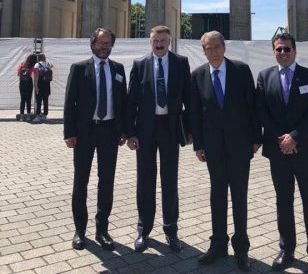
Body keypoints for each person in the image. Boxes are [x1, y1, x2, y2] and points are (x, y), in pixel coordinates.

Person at [190, 31, 262, 271]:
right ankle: (218, 245)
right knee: (217, 196)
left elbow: (253, 106)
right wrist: (198, 145)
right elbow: (195, 114)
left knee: (239, 196)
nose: (212, 52)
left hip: (240, 146)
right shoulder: (198, 75)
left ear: (224, 48)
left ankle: (241, 249)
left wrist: (256, 138)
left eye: (216, 47)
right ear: (203, 51)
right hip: (212, 148)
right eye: (208, 48)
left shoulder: (240, 70)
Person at [255, 33, 308, 274]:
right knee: (283, 202)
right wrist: (282, 140)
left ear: (295, 51)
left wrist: (294, 136)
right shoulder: (264, 77)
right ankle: (286, 251)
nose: (282, 53)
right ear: (273, 52)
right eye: (278, 50)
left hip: (305, 150)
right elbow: (261, 111)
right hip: (278, 152)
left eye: (286, 49)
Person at [126, 25, 191, 253]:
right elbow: (130, 100)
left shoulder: (181, 63)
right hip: (145, 131)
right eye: (155, 40)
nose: (159, 43)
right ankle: (144, 230)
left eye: (163, 39)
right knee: (145, 180)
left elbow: (189, 98)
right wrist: (130, 133)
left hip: (170, 129)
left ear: (169, 41)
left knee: (169, 179)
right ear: (150, 42)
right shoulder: (139, 64)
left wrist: (190, 131)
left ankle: (171, 229)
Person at [63, 28, 127, 251]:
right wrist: (69, 133)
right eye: (100, 43)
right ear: (92, 45)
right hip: (84, 133)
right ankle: (80, 231)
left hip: (109, 132)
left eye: (108, 43)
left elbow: (123, 102)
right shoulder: (79, 68)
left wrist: (124, 130)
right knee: (81, 182)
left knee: (106, 182)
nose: (104, 47)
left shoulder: (118, 69)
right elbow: (69, 102)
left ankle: (102, 230)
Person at [32, 53, 53, 122]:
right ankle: (45, 115)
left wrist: (36, 85)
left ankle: (38, 116)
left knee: (38, 100)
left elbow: (36, 76)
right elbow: (52, 66)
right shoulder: (47, 64)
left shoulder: (37, 65)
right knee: (45, 100)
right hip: (47, 84)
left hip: (40, 83)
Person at [17, 53, 37, 118]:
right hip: (29, 82)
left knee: (22, 99)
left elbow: (18, 74)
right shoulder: (32, 66)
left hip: (22, 82)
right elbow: (36, 73)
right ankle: (28, 115)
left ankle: (22, 116)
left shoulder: (22, 64)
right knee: (28, 99)